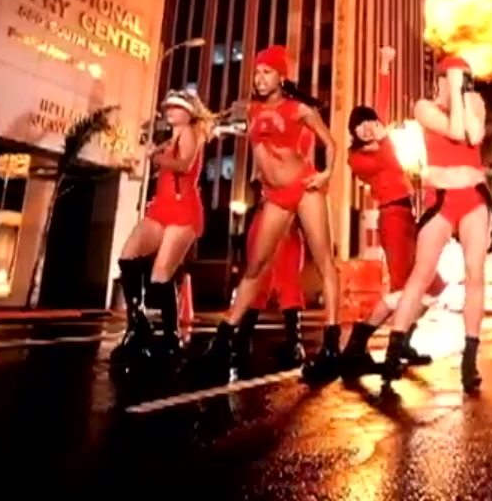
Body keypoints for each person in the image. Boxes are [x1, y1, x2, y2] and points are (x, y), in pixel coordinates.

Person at [206, 46, 342, 383]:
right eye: (257, 72)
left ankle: (331, 345)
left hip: (305, 187)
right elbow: (224, 125)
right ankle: (224, 339)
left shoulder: (299, 109)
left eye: (267, 72)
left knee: (324, 261)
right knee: (255, 266)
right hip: (275, 196)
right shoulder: (251, 110)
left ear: (282, 77)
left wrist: (326, 174)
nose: (260, 78)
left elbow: (330, 143)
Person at [379, 55, 492, 393]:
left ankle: (470, 359)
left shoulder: (474, 101)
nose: (461, 81)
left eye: (466, 77)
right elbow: (455, 131)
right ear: (440, 79)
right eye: (454, 76)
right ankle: (394, 350)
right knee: (422, 273)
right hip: (440, 199)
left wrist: (463, 94)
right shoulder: (424, 107)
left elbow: (473, 135)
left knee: (475, 274)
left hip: (473, 197)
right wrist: (454, 90)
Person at [338, 46, 446, 377]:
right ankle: (359, 344)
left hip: (408, 217)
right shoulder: (357, 157)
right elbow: (381, 160)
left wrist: (384, 65)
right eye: (360, 126)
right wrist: (383, 139)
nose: (368, 127)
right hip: (392, 219)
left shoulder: (380, 134)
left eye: (370, 121)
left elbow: (381, 100)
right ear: (353, 132)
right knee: (403, 288)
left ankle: (405, 340)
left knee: (433, 285)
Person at [111, 90, 212, 363]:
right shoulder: (172, 138)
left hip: (182, 208)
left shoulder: (190, 132)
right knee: (128, 256)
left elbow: (185, 165)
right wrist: (155, 154)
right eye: (168, 107)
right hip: (161, 207)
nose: (169, 111)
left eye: (176, 107)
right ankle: (138, 323)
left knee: (160, 276)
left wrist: (158, 159)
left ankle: (171, 337)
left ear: (189, 113)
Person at [233, 124, 317, 369]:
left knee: (284, 281)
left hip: (283, 223)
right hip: (267, 219)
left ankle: (292, 343)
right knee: (259, 280)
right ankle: (244, 339)